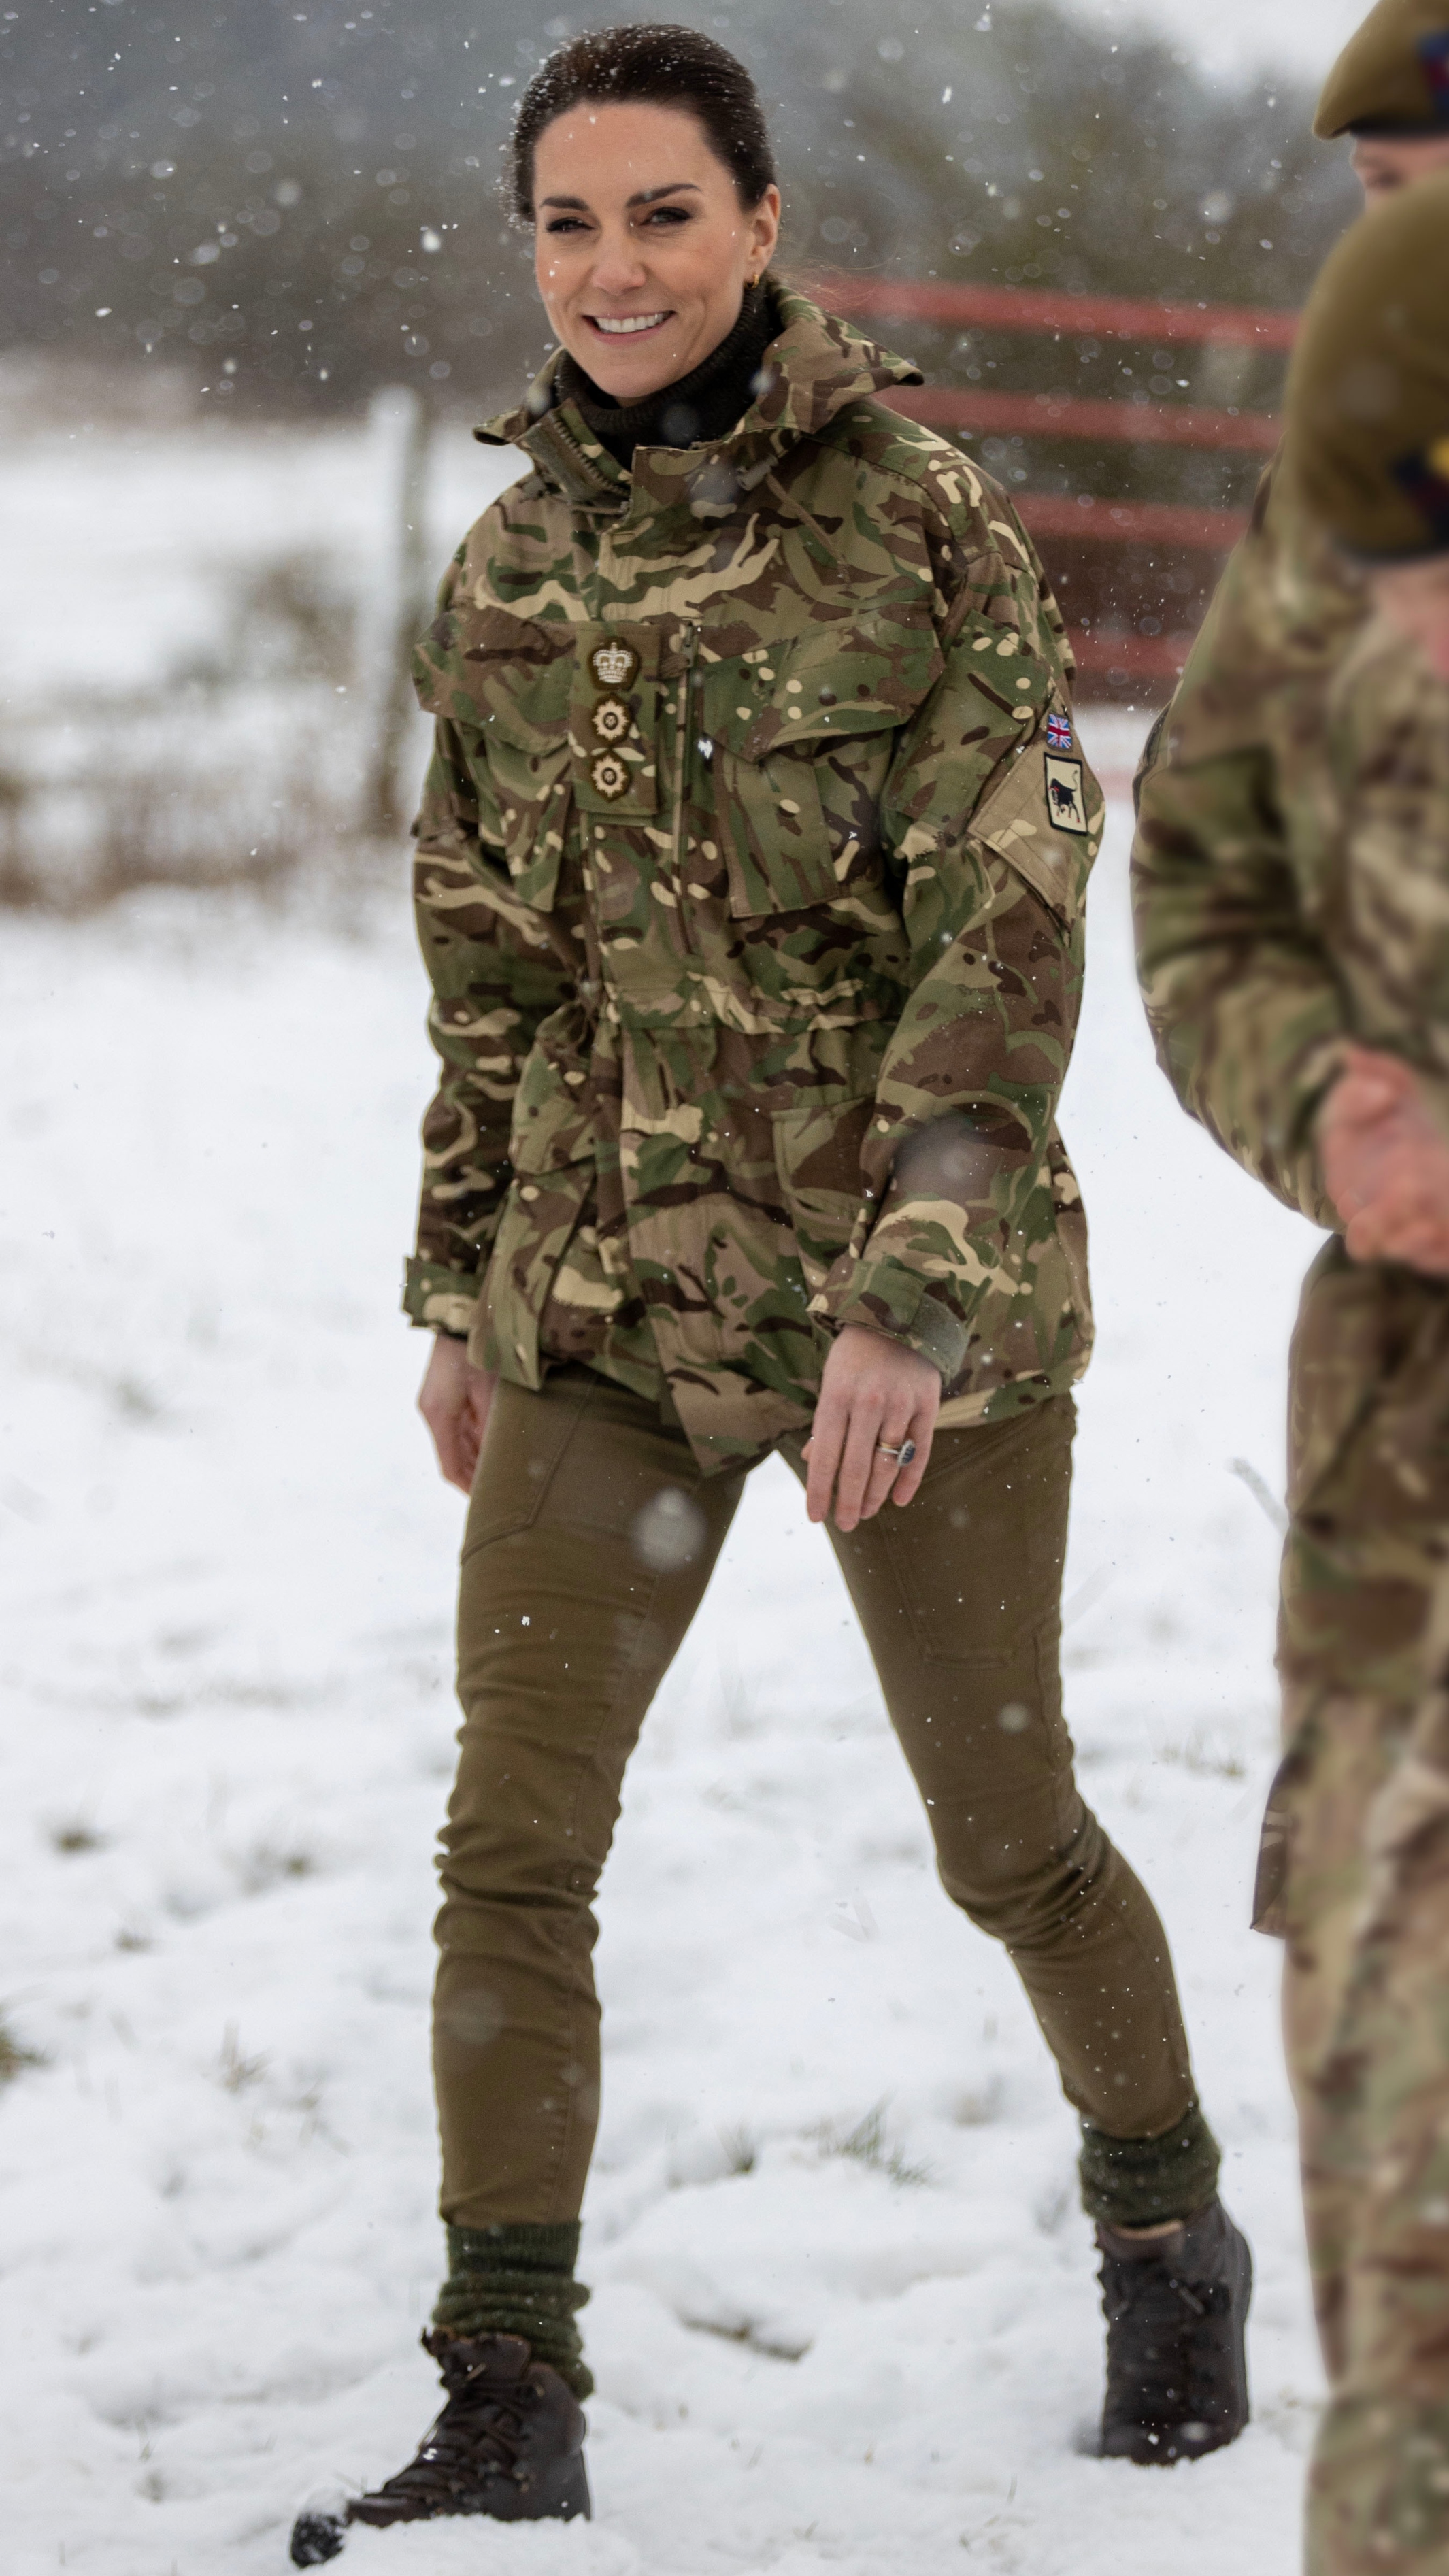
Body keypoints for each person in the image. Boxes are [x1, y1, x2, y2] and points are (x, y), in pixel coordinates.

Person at [289, 27, 1248, 2561]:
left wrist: (901, 1308)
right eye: (567, 226)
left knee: (1005, 1834)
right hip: (598, 1302)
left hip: (904, 1320)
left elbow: (1000, 942)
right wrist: (455, 1279)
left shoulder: (923, 529)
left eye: (661, 217)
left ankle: (1163, 2223)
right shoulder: (511, 567)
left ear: (759, 222)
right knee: (512, 1854)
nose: (612, 272)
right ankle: (507, 2378)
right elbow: (482, 956)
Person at [1134, 140, 1449, 2576]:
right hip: (1407, 1518)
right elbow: (1202, 870)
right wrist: (1321, 1112)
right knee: (1412, 2296)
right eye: (1369, 178)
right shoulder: (1347, 461)